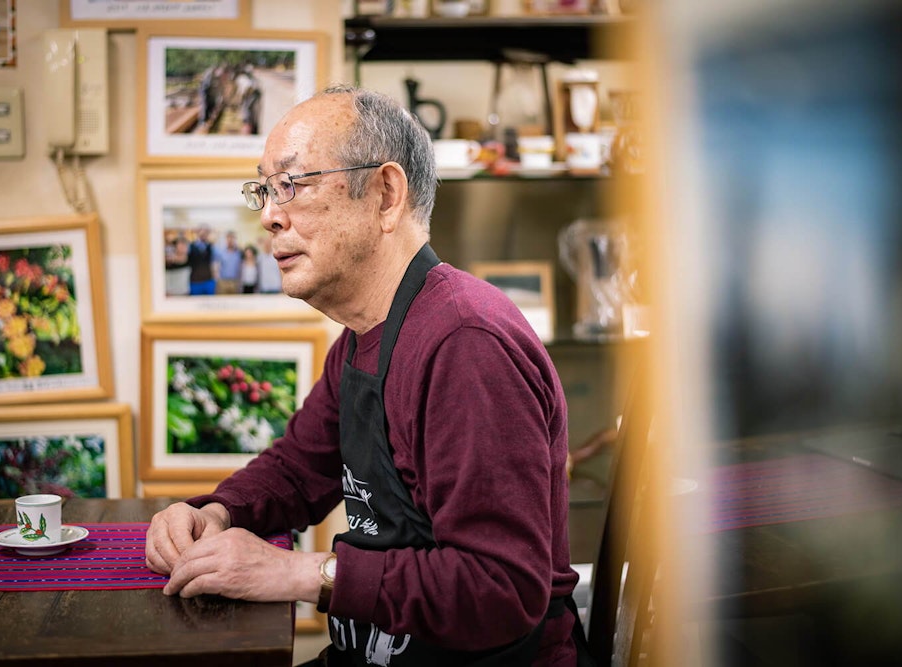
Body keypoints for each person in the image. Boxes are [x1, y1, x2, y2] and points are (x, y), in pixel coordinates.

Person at [145, 85, 582, 666]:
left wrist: (301, 573)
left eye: (292, 185)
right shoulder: (364, 333)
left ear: (385, 194)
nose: (270, 216)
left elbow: (502, 588)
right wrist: (217, 512)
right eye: (265, 191)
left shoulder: (466, 344)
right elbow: (299, 469)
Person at [187, 225, 216, 295]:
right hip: (195, 282)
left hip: (208, 281)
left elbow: (215, 261)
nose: (203, 233)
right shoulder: (190, 246)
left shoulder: (211, 246)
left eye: (206, 232)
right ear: (197, 232)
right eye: (201, 231)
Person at [214, 230, 243, 295]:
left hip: (235, 282)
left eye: (232, 238)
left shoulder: (239, 253)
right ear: (226, 239)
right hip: (223, 282)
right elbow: (216, 266)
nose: (230, 240)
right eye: (228, 238)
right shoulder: (220, 252)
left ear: (235, 239)